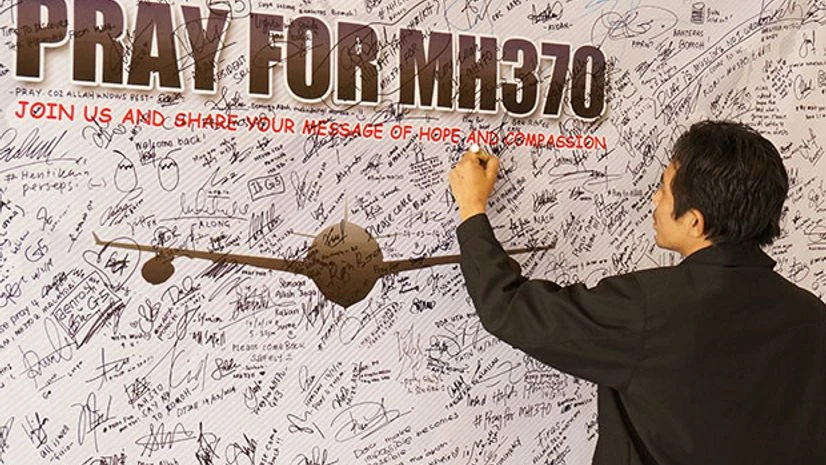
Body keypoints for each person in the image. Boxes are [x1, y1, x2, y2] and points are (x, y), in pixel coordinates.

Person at [448, 120, 826, 465]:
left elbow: (510, 308)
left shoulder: (650, 310)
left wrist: (472, 208)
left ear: (696, 222)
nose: (654, 200)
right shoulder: (813, 317)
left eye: (663, 188)